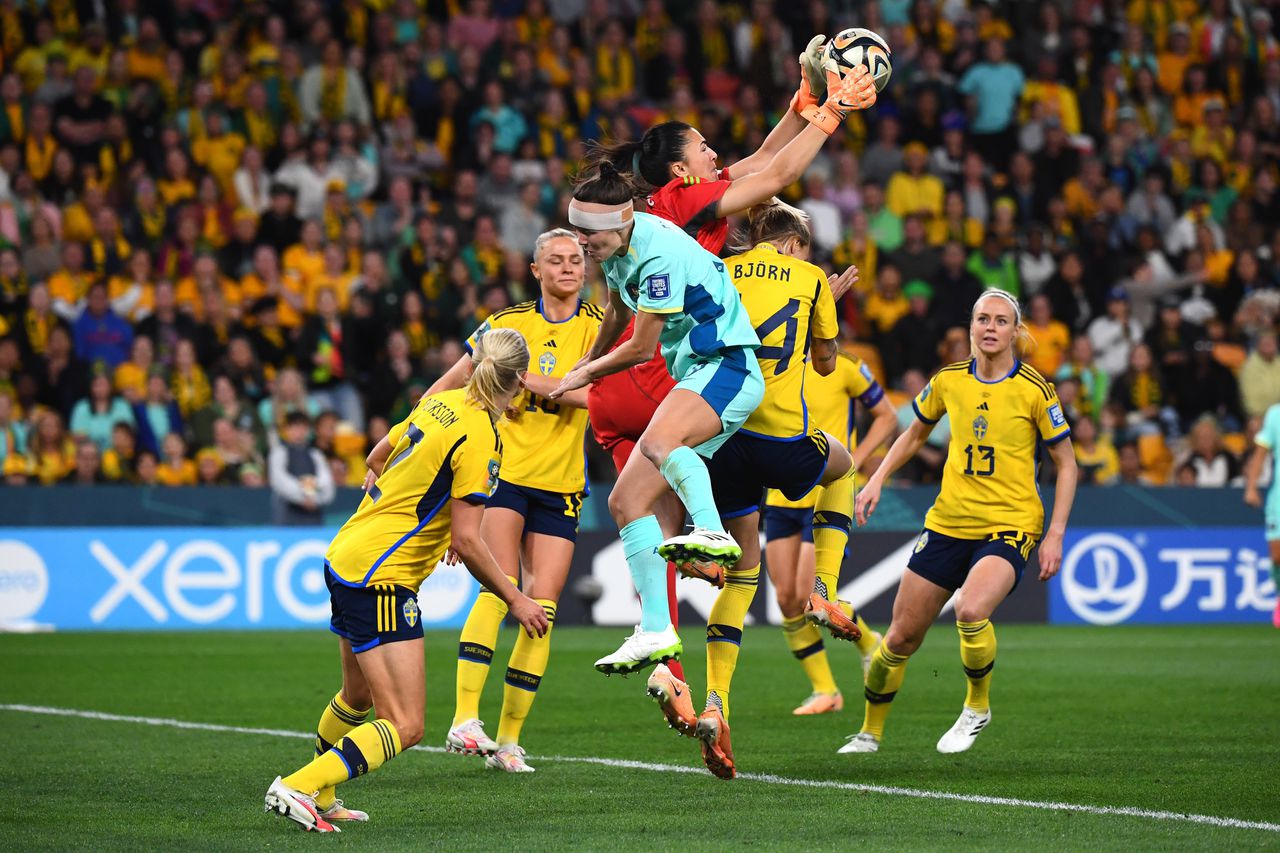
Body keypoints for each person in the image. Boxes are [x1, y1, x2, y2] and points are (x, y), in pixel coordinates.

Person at [578, 48, 879, 678]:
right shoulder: (685, 205)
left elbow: (765, 158)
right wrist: (832, 113)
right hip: (679, 364)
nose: (716, 153)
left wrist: (803, 95)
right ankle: (711, 542)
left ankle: (657, 635)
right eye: (705, 147)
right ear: (682, 168)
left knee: (631, 504)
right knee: (686, 480)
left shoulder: (659, 205)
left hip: (643, 368)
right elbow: (776, 178)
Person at [264, 327, 549, 833]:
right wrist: (516, 598)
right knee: (406, 723)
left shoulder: (440, 402)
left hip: (346, 556)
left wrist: (429, 529)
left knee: (357, 698)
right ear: (520, 380)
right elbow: (467, 539)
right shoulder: (482, 433)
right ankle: (299, 784)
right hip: (383, 578)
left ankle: (323, 794)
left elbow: (377, 457)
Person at [640, 200, 861, 779]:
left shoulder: (720, 267)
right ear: (792, 245)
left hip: (722, 430)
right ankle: (825, 590)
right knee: (844, 466)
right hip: (783, 438)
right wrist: (825, 310)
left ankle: (716, 703)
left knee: (742, 575)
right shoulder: (812, 279)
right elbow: (828, 363)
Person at [549, 165, 767, 674]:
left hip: (727, 364)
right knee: (626, 501)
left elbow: (642, 346)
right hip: (696, 370)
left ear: (621, 220)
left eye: (589, 234)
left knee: (659, 441)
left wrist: (583, 376)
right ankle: (656, 629)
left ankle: (712, 532)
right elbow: (618, 316)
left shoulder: (658, 253)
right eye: (577, 232)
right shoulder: (615, 248)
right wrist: (589, 358)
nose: (583, 245)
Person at [839, 289, 1077, 756]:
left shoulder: (1034, 389)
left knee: (970, 609)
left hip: (1010, 523)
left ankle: (977, 706)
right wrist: (876, 479)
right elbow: (914, 433)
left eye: (1001, 321)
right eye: (983, 319)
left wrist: (1055, 534)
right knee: (900, 638)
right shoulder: (948, 380)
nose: (990, 328)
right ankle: (869, 733)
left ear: (1016, 331)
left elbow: (1066, 463)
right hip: (948, 522)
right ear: (971, 327)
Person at [426, 229, 601, 772]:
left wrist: (530, 380)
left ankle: (508, 743)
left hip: (564, 484)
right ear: (536, 270)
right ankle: (464, 719)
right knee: (500, 591)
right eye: (556, 260)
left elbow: (600, 396)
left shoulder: (602, 328)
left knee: (541, 610)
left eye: (576, 259)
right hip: (503, 477)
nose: (569, 267)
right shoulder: (504, 324)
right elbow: (450, 388)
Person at [766, 346, 898, 717]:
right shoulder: (776, 358)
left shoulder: (848, 366)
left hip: (824, 492)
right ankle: (825, 690)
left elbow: (887, 416)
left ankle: (871, 644)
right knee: (786, 600)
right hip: (779, 494)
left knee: (813, 598)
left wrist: (855, 457)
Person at [1243, 401, 1280, 629]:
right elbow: (1260, 453)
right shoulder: (1275, 415)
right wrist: (1251, 487)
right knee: (1277, 555)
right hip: (1279, 498)